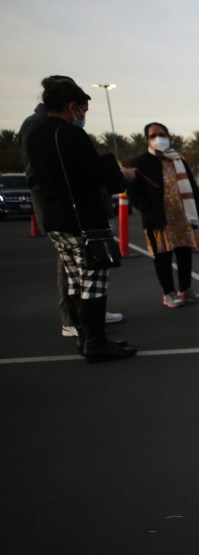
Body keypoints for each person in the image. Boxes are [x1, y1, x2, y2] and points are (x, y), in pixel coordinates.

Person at [24, 77, 136, 362]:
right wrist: (121, 177)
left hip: (55, 217)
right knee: (94, 280)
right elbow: (97, 176)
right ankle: (96, 342)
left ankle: (85, 338)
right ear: (72, 106)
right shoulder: (70, 134)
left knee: (74, 280)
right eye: (83, 110)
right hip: (82, 219)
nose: (83, 116)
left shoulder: (35, 133)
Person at [127, 122, 199, 308]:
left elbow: (193, 189)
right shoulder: (140, 163)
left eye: (162, 134)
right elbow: (133, 192)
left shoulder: (178, 160)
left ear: (169, 137)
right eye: (153, 135)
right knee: (162, 257)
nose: (158, 138)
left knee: (184, 254)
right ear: (147, 140)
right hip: (158, 220)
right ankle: (168, 293)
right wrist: (147, 207)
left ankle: (185, 289)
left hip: (182, 217)